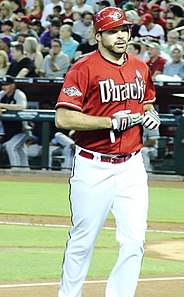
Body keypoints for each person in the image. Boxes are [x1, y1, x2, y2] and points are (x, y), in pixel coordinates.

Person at [55, 6, 160, 297]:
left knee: (134, 241)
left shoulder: (140, 67)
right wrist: (108, 121)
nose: (120, 36)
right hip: (93, 164)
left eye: (124, 30)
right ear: (98, 35)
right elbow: (63, 118)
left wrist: (151, 115)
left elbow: (146, 103)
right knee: (82, 240)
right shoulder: (83, 68)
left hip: (132, 166)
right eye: (112, 31)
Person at [0, 75, 30, 169]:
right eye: (3, 85)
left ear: (13, 85)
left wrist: (2, 106)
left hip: (22, 130)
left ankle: (15, 171)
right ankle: (25, 170)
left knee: (11, 146)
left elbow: (21, 106)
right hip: (8, 130)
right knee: (19, 149)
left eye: (7, 85)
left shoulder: (18, 94)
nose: (4, 87)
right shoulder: (2, 94)